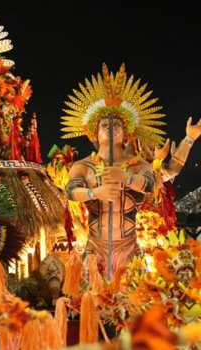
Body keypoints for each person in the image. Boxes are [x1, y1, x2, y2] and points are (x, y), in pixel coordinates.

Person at [61, 64, 164, 277]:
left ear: (126, 133)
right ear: (94, 133)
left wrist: (125, 177)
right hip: (94, 248)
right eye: (104, 125)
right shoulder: (83, 166)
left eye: (117, 124)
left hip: (129, 247)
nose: (110, 127)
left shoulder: (138, 165)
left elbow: (150, 185)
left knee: (133, 305)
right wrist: (94, 193)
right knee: (91, 303)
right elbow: (70, 191)